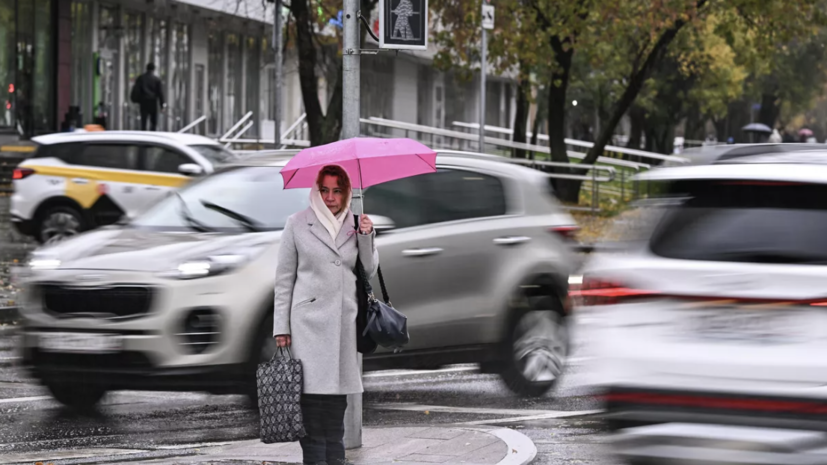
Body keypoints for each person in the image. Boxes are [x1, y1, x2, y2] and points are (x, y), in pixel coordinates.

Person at [273, 165, 378, 465]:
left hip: (344, 327)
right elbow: (284, 280)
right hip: (307, 327)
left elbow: (367, 270)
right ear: (316, 191)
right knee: (311, 410)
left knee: (335, 413)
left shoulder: (357, 224)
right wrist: (281, 326)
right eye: (325, 190)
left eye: (337, 190)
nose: (330, 197)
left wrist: (366, 236)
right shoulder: (297, 224)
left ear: (346, 193)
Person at [131, 63, 165, 131]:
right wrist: (162, 105)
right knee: (153, 122)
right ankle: (153, 134)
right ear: (154, 69)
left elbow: (137, 89)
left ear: (147, 68)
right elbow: (160, 93)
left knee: (143, 121)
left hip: (143, 102)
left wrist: (137, 99)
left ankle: (143, 134)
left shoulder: (141, 78)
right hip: (153, 102)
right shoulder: (157, 80)